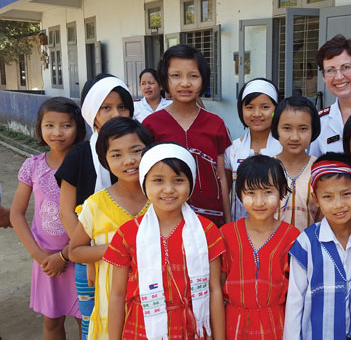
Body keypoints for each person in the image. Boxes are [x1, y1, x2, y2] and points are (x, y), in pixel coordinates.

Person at [104, 142, 225, 340]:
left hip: (192, 328)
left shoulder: (206, 231)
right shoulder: (128, 233)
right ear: (144, 184)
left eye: (178, 180)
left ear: (191, 184)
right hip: (142, 328)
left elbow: (214, 290)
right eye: (158, 180)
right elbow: (117, 295)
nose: (168, 189)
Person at [55, 73, 135, 340]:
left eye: (122, 107)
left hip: (135, 256)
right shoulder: (79, 155)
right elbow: (67, 210)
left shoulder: (139, 152)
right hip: (89, 252)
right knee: (94, 320)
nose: (116, 113)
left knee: (133, 316)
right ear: (92, 113)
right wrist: (91, 255)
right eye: (106, 107)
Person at [283, 152, 351, 340]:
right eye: (328, 197)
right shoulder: (306, 243)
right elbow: (294, 301)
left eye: (346, 194)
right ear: (316, 199)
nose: (338, 205)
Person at [68, 117, 152, 340]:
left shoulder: (162, 201)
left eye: (137, 151)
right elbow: (74, 251)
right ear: (104, 160)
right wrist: (116, 248)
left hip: (155, 304)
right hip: (109, 303)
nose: (129, 161)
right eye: (116, 155)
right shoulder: (95, 206)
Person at [10, 97, 86, 339]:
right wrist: (38, 254)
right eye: (49, 125)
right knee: (52, 322)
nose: (57, 132)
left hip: (80, 256)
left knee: (85, 319)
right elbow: (16, 214)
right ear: (40, 128)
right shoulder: (32, 166)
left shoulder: (87, 165)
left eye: (66, 125)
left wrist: (69, 252)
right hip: (45, 260)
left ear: (78, 128)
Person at [142, 44, 232, 227]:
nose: (185, 83)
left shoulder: (216, 124)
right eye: (176, 76)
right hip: (165, 220)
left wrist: (228, 222)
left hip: (210, 219)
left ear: (203, 80)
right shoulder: (151, 124)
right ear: (164, 80)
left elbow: (222, 176)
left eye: (193, 76)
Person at [221, 155, 300, 339]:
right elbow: (216, 288)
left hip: (277, 325)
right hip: (233, 325)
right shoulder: (226, 234)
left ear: (281, 192)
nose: (259, 201)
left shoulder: (293, 238)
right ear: (239, 193)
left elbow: (296, 297)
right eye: (251, 193)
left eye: (267, 192)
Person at [224, 78, 282, 221]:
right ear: (241, 110)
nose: (257, 114)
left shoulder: (285, 148)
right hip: (239, 229)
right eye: (249, 107)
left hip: (278, 228)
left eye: (265, 107)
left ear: (276, 109)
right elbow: (226, 193)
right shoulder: (232, 149)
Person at [271, 96, 321, 231]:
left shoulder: (320, 170)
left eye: (303, 128)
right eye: (287, 128)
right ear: (276, 129)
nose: (294, 137)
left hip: (310, 248)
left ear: (313, 130)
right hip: (273, 248)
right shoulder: (266, 169)